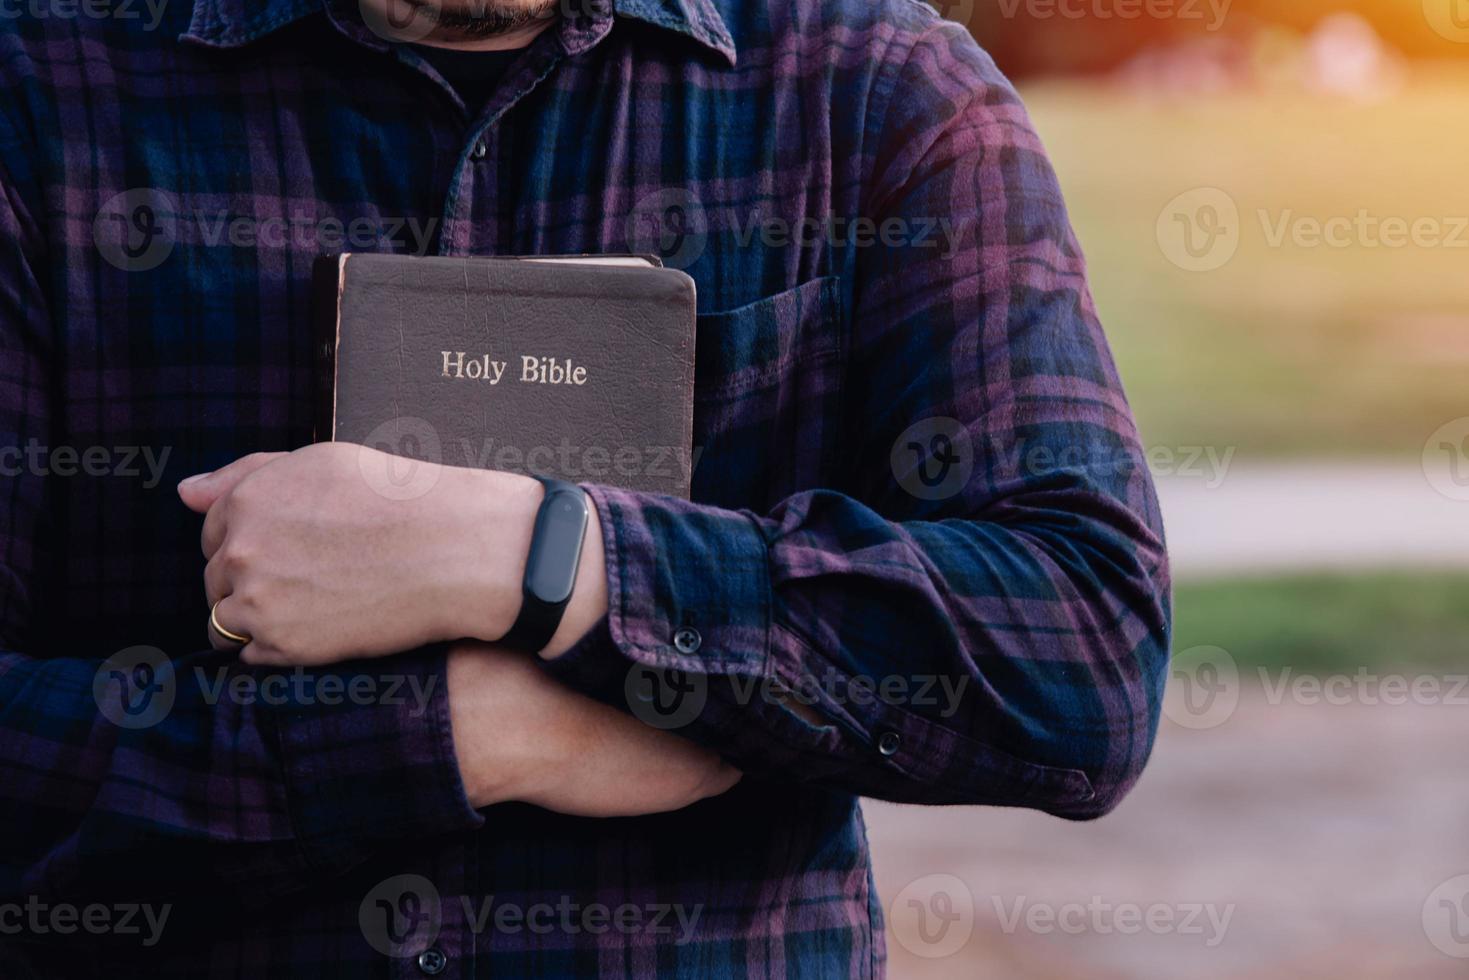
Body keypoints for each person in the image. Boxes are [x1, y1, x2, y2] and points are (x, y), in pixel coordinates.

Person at [0, 0, 1171, 975]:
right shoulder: (39, 87)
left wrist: (544, 556)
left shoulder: (874, 89)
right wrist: (451, 738)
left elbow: (1080, 648)